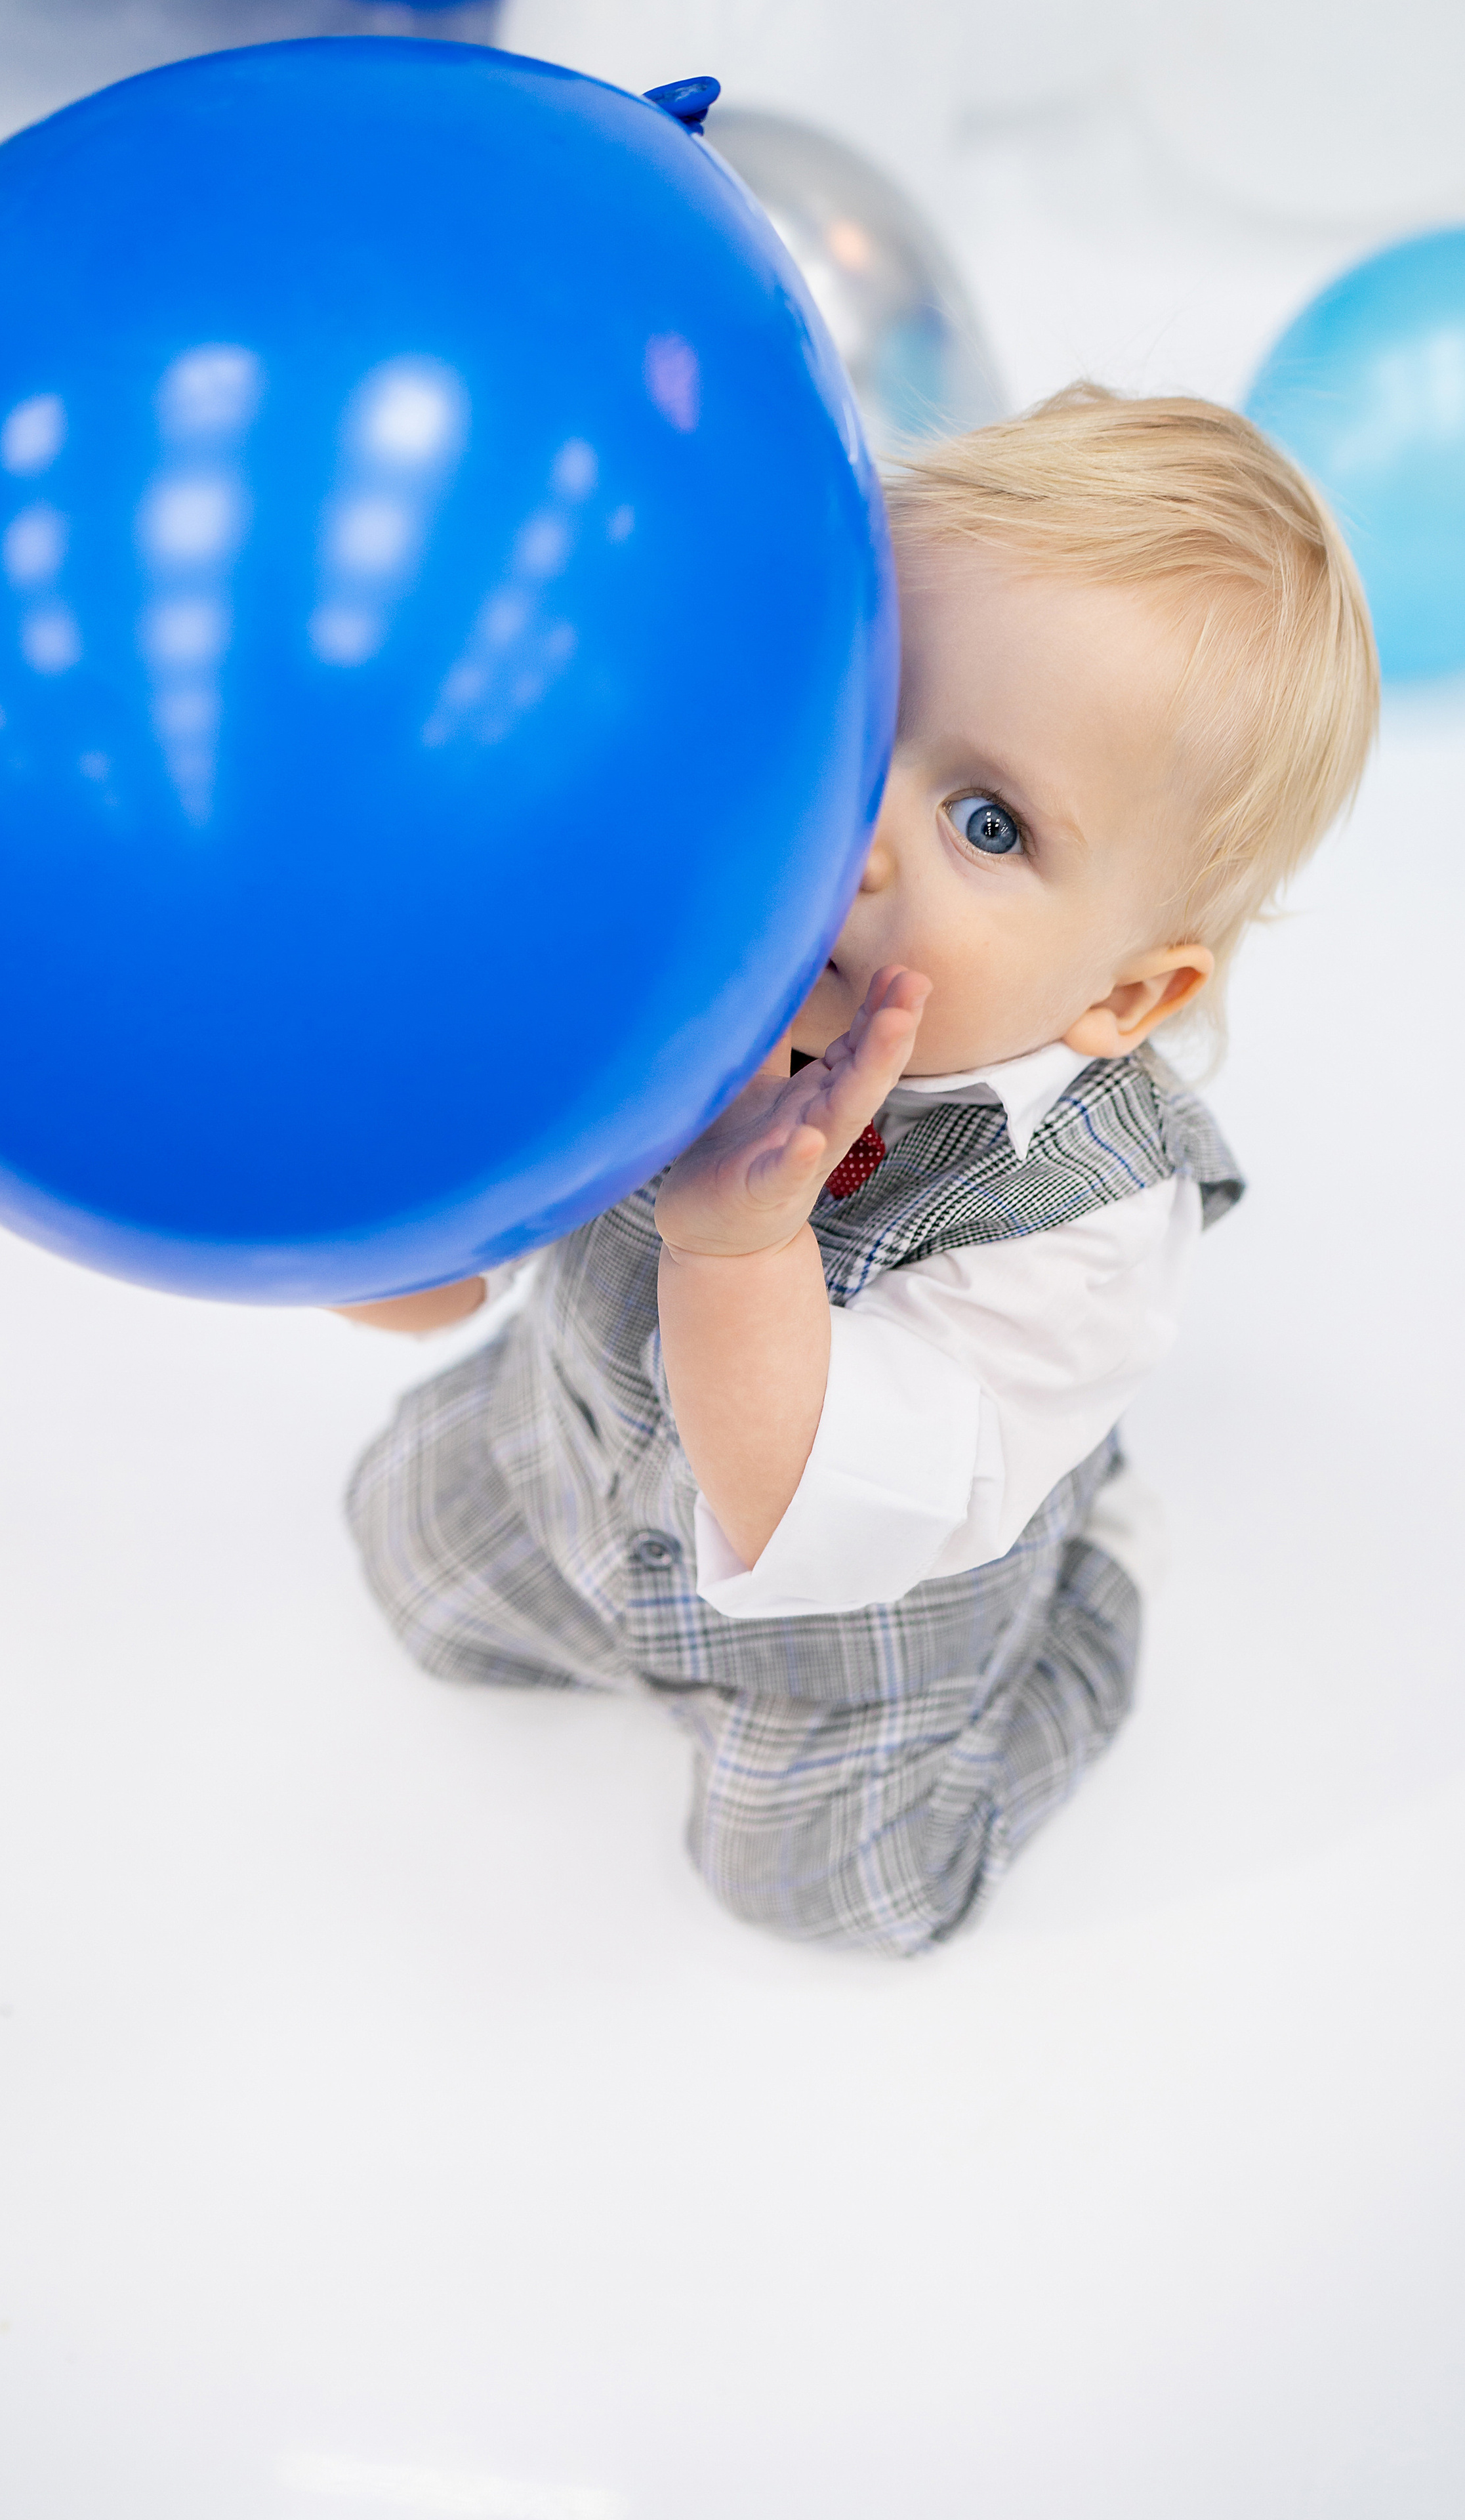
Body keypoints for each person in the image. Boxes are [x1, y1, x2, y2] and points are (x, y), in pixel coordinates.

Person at [339, 385, 1378, 1956]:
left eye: (985, 821)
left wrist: (740, 1250)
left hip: (841, 1622)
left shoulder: (1084, 1223)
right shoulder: (667, 934)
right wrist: (352, 1192)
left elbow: (815, 1502)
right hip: (572, 1458)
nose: (861, 836)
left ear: (1122, 995)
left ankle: (1089, 1604)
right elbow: (449, 1275)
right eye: (865, 711)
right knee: (402, 1553)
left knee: (832, 1895)